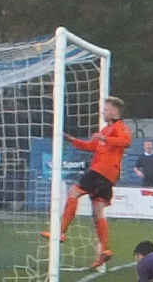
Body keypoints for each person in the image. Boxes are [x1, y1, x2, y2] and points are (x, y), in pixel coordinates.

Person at [40, 96, 132, 268]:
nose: (103, 112)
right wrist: (72, 140)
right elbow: (92, 146)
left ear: (114, 111)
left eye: (106, 109)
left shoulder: (120, 127)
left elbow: (126, 142)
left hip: (102, 171)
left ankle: (60, 232)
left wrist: (104, 138)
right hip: (106, 175)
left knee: (74, 192)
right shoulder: (106, 129)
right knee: (97, 211)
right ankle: (104, 250)